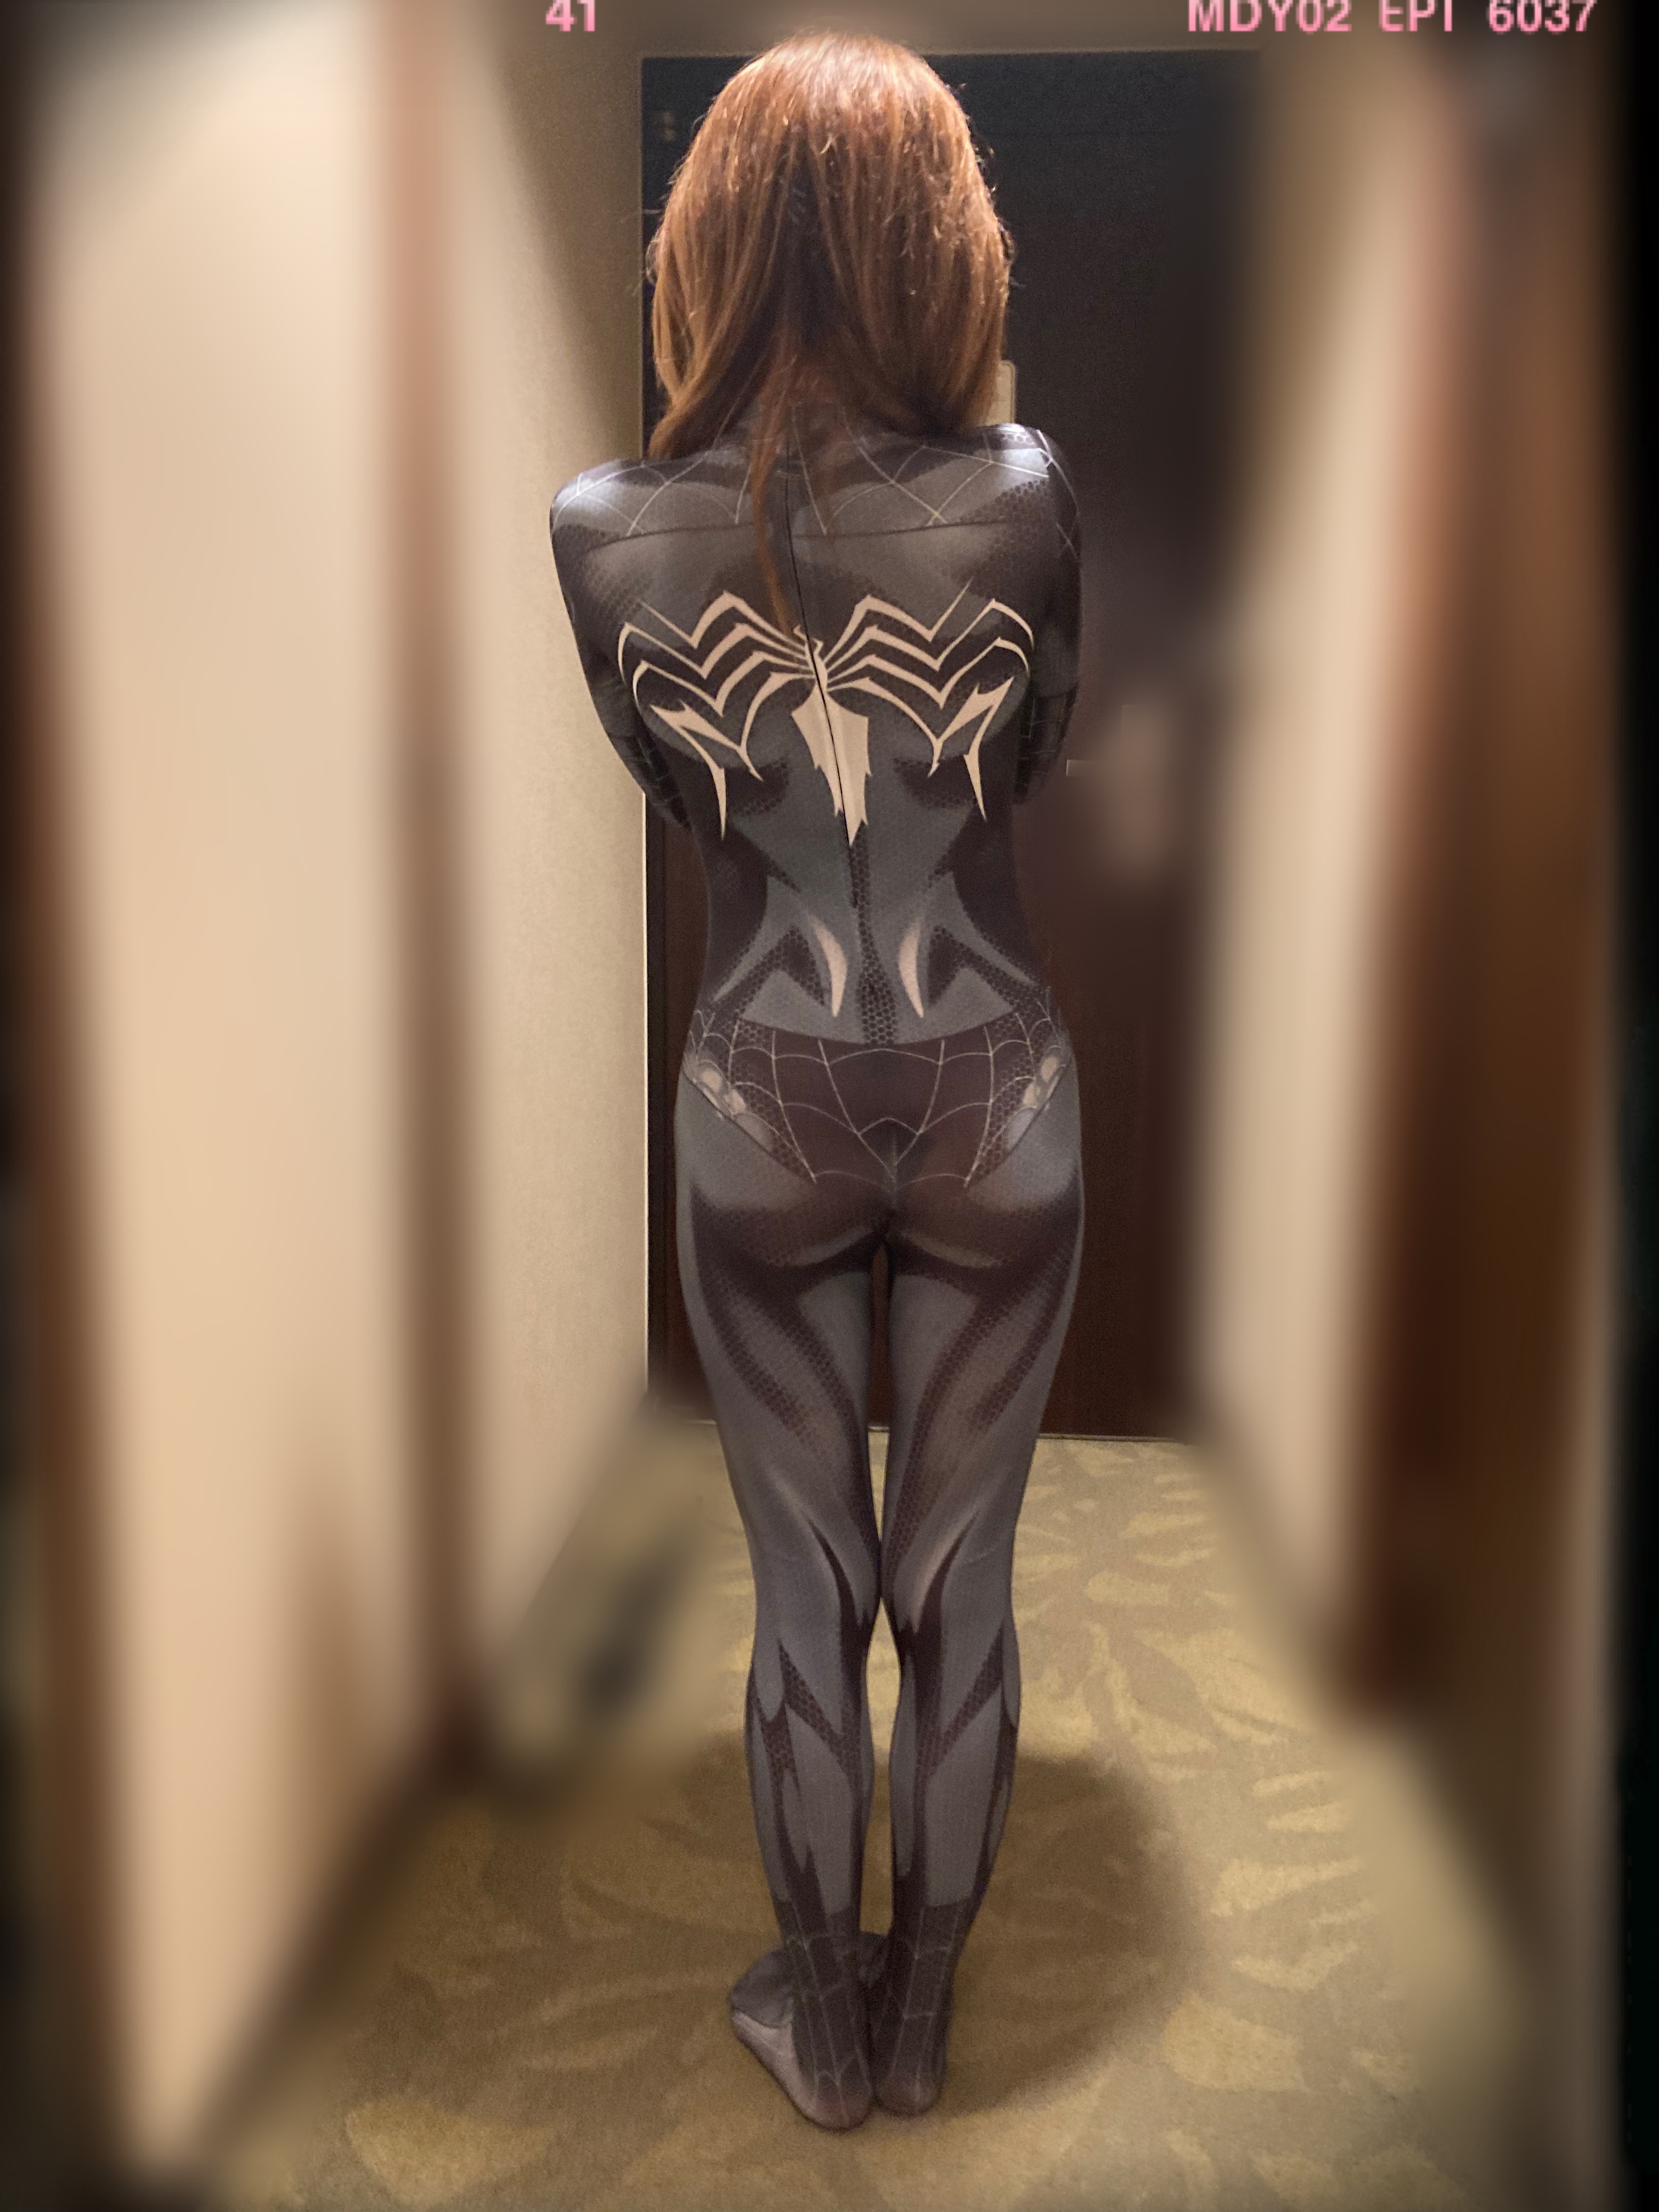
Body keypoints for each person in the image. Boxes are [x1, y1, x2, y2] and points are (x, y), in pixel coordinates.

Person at [550, 30, 1084, 2131]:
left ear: (700, 244)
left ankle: (829, 2033)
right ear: (938, 246)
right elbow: (1033, 751)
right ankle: (924, 2017)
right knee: (961, 1584)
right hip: (990, 1073)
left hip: (755, 1085)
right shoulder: (1025, 498)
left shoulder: (604, 529)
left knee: (805, 1592)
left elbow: (675, 786)